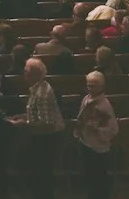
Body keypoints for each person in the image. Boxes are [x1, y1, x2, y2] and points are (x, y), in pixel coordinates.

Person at [18, 58, 65, 199]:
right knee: (39, 176)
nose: (23, 73)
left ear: (34, 74)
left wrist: (24, 123)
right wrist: (21, 117)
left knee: (43, 177)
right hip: (39, 138)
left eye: (26, 71)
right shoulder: (37, 88)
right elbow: (35, 113)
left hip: (45, 141)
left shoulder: (42, 93)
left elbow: (46, 123)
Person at [71, 70, 119, 199]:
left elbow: (113, 129)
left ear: (101, 87)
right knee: (89, 180)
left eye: (93, 86)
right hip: (85, 144)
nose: (90, 89)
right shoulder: (86, 99)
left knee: (100, 182)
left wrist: (97, 129)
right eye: (88, 85)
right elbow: (81, 119)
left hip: (99, 149)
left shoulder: (105, 105)